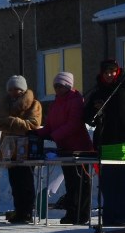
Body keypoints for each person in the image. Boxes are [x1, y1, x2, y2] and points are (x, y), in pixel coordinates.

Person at [84, 58, 125, 225]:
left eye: (112, 71)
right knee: (109, 184)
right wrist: (96, 110)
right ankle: (110, 217)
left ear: (118, 72)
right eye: (106, 72)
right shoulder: (98, 92)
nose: (109, 75)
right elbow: (88, 118)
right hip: (106, 142)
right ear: (102, 74)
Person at [35, 71, 94, 224]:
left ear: (68, 86)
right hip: (65, 149)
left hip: (80, 149)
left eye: (60, 86)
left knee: (81, 182)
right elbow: (49, 125)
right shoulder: (56, 103)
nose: (57, 89)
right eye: (55, 86)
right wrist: (37, 133)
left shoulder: (75, 101)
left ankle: (82, 214)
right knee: (70, 182)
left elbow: (73, 124)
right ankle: (72, 212)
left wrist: (54, 135)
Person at [0, 75, 43, 224]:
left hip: (25, 148)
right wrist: (10, 122)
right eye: (10, 89)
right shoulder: (5, 105)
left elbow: (33, 124)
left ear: (23, 90)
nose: (13, 92)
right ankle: (19, 211)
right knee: (15, 182)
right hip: (9, 148)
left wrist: (12, 122)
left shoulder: (34, 104)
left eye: (16, 89)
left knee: (26, 182)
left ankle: (27, 212)